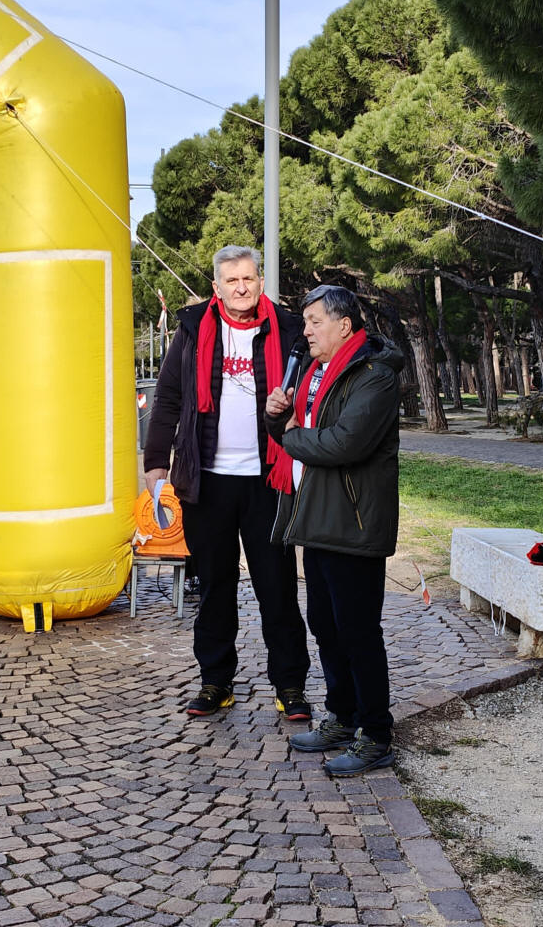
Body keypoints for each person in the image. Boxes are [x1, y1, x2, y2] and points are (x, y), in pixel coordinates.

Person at [143, 245, 311, 718]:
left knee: (277, 587)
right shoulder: (193, 327)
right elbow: (169, 398)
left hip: (268, 479)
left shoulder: (288, 328)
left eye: (248, 278)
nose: (241, 287)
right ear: (217, 287)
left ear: (261, 282)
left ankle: (290, 686)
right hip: (207, 481)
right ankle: (215, 681)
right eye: (232, 280)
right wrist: (155, 464)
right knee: (215, 586)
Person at [264, 285, 403, 777]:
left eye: (314, 321)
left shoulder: (375, 375)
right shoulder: (314, 370)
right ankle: (342, 717)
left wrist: (289, 433)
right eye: (305, 321)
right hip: (318, 516)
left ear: (344, 325)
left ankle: (376, 734)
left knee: (358, 631)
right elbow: (297, 432)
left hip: (354, 522)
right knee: (325, 624)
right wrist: (277, 416)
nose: (305, 331)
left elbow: (344, 443)